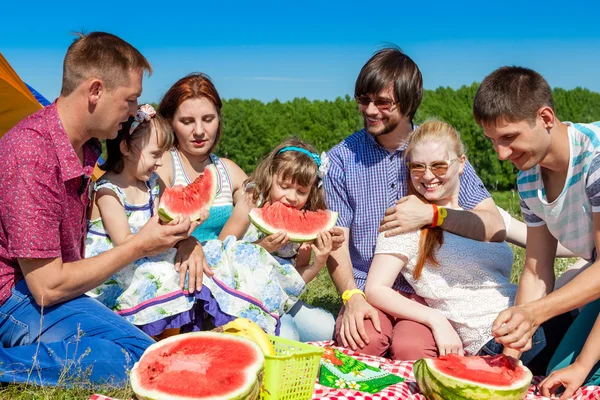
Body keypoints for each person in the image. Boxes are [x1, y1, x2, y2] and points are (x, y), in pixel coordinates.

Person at [0, 32, 198, 386]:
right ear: (95, 91)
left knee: (143, 356)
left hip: (47, 291)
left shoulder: (84, 147)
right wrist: (140, 245)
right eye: (130, 100)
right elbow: (46, 287)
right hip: (11, 298)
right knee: (137, 363)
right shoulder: (32, 153)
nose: (135, 111)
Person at [323, 46, 507, 358]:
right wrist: (351, 296)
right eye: (363, 100)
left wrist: (432, 214)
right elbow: (337, 242)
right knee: (363, 342)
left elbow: (493, 224)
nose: (370, 110)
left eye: (382, 103)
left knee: (414, 350)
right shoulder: (342, 158)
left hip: (429, 292)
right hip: (366, 287)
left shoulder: (435, 147)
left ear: (409, 103)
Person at [365, 120, 549, 367]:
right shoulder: (405, 221)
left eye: (438, 166)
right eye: (417, 167)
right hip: (495, 339)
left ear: (461, 164)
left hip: (531, 316)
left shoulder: (484, 217)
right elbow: (376, 289)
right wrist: (435, 319)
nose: (428, 176)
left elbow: (551, 246)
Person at [473, 66, 600, 397]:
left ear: (545, 117)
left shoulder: (596, 160)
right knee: (553, 372)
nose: (501, 154)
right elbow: (536, 269)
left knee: (579, 377)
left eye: (510, 137)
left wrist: (535, 315)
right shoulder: (528, 179)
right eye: (494, 141)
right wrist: (510, 357)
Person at [85, 103, 209, 339]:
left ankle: (169, 340)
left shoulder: (152, 183)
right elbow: (125, 243)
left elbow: (164, 225)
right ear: (126, 148)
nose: (161, 162)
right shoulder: (108, 192)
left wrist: (187, 223)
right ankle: (156, 343)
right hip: (116, 275)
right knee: (163, 273)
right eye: (155, 154)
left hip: (145, 257)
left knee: (183, 265)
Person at [217, 138, 336, 341]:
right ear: (271, 175)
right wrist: (261, 248)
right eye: (284, 186)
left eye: (301, 191)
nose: (292, 197)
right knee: (288, 337)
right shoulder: (252, 201)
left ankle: (282, 321)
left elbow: (296, 279)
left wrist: (319, 262)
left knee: (327, 328)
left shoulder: (304, 221)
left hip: (281, 297)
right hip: (245, 297)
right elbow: (221, 251)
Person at [156, 73, 247, 246]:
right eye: (187, 121)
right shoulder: (163, 165)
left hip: (222, 266)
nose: (199, 131)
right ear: (170, 123)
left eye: (207, 119)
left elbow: (260, 205)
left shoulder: (228, 170)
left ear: (219, 120)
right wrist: (186, 243)